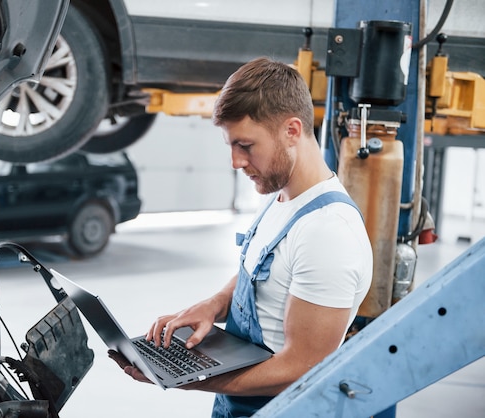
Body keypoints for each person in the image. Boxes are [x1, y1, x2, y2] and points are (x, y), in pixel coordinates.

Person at [109, 57, 373, 417]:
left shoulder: (328, 233)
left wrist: (181, 375)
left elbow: (301, 367)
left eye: (245, 146)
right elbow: (268, 273)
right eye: (230, 146)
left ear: (292, 131)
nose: (235, 161)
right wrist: (214, 304)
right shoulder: (284, 198)